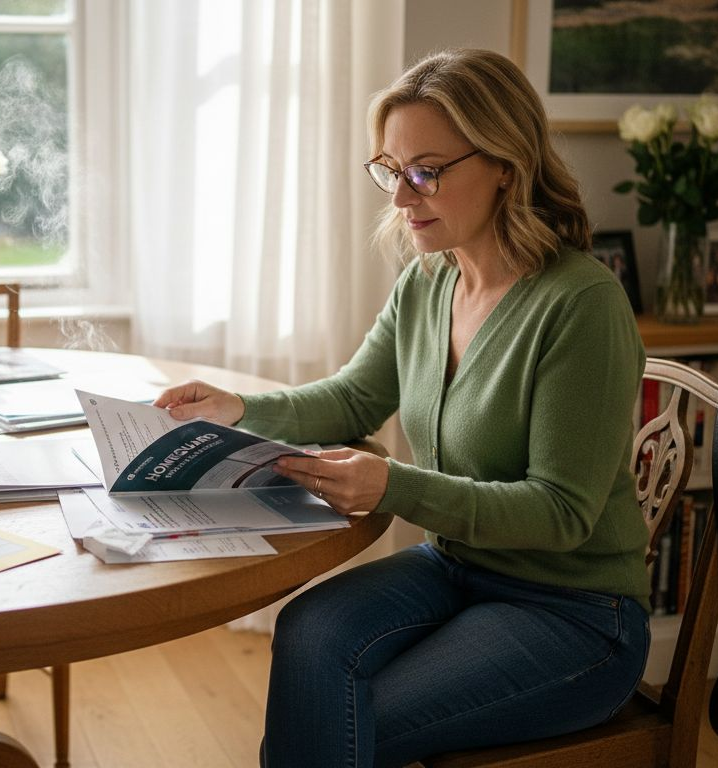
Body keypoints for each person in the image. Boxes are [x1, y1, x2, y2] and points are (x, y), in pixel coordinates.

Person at [153, 48, 650, 767]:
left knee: (335, 725)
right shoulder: (427, 281)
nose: (401, 198)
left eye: (426, 172)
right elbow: (354, 396)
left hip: (575, 613)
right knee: (308, 629)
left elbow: (561, 513)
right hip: (457, 568)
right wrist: (237, 408)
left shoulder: (581, 305)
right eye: (392, 170)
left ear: (506, 165)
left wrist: (394, 487)